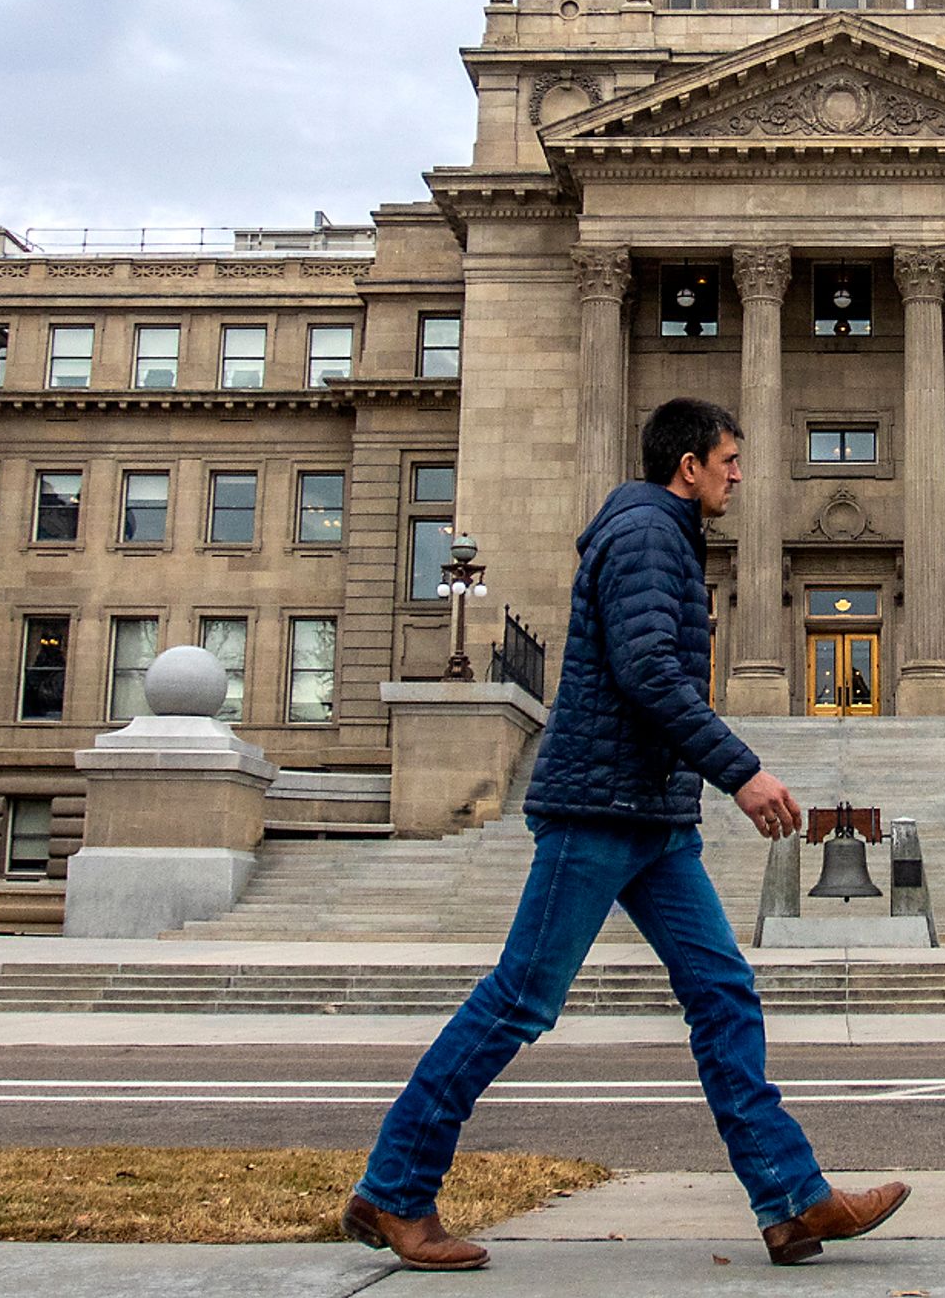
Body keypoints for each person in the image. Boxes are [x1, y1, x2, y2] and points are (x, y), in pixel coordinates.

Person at [343, 395, 909, 1272]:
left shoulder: (665, 536)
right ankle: (395, 1190)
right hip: (599, 811)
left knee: (723, 991)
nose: (739, 474)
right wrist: (742, 770)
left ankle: (793, 1201)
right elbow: (647, 670)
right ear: (689, 464)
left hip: (650, 813)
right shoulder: (647, 534)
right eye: (728, 459)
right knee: (520, 1000)